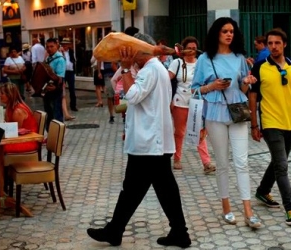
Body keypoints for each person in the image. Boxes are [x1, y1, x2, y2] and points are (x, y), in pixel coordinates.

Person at [87, 33, 191, 248]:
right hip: (152, 141)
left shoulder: (151, 70)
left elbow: (132, 95)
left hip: (149, 143)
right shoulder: (152, 68)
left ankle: (117, 231)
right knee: (149, 189)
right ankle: (119, 230)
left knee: (143, 189)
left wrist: (126, 69)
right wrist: (128, 67)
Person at [191, 17, 261, 228]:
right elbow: (194, 89)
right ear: (216, 34)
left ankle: (248, 211)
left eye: (231, 31)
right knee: (222, 164)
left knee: (242, 162)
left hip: (237, 113)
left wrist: (247, 82)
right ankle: (226, 207)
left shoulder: (240, 57)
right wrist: (211, 86)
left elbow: (242, 89)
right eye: (224, 31)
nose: (229, 34)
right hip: (214, 114)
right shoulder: (204, 59)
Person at [249, 28, 291, 226]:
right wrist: (254, 125)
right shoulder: (259, 67)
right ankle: (290, 209)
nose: (273, 47)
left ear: (284, 45)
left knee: (278, 161)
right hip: (271, 123)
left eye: (277, 43)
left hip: (289, 123)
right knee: (282, 166)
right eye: (270, 43)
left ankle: (262, 190)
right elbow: (253, 95)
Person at [168, 36, 216, 174]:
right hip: (180, 101)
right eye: (189, 48)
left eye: (194, 48)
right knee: (179, 132)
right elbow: (166, 78)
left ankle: (206, 163)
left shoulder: (201, 63)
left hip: (196, 102)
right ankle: (177, 158)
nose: (192, 51)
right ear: (184, 49)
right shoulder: (177, 63)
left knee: (199, 132)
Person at [0, 83, 38, 153]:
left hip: (26, 141)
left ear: (9, 95)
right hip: (21, 139)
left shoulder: (18, 111)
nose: (0, 96)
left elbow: (13, 132)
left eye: (2, 93)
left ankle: (1, 164)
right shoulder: (10, 107)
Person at [44, 38, 66, 125]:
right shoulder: (48, 58)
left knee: (56, 113)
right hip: (47, 90)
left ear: (57, 46)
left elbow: (60, 77)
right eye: (47, 47)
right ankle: (50, 133)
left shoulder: (60, 59)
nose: (49, 49)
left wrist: (55, 87)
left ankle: (57, 134)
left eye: (51, 46)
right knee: (49, 113)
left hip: (56, 89)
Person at [61, 38, 78, 111]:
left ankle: (73, 105)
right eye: (64, 44)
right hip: (63, 72)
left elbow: (73, 60)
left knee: (72, 89)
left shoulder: (71, 51)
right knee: (62, 90)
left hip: (70, 72)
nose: (65, 46)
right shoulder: (60, 52)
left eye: (66, 44)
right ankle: (62, 106)